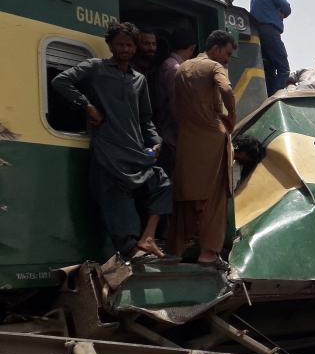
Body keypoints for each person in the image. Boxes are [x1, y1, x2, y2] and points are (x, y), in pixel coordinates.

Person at [51, 21, 170, 258]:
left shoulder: (139, 79)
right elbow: (60, 81)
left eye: (128, 45)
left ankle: (147, 238)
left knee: (163, 184)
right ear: (110, 45)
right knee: (117, 197)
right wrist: (87, 107)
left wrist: (155, 141)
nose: (124, 49)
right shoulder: (96, 67)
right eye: (119, 44)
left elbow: (146, 118)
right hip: (109, 147)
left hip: (135, 148)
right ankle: (129, 247)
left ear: (135, 48)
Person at [169, 30, 238, 266]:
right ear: (216, 48)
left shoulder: (182, 68)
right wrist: (232, 117)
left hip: (187, 140)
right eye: (227, 53)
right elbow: (226, 90)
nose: (227, 59)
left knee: (185, 196)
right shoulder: (214, 67)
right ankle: (208, 253)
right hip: (212, 138)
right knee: (216, 198)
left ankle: (176, 249)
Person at [155, 27, 196, 177]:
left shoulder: (168, 64)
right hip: (172, 137)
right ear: (191, 48)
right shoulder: (176, 69)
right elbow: (177, 107)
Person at [250, 0, 292, 96]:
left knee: (269, 68)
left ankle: (267, 95)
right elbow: (287, 8)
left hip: (257, 34)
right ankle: (275, 98)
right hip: (270, 32)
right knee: (284, 68)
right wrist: (281, 13)